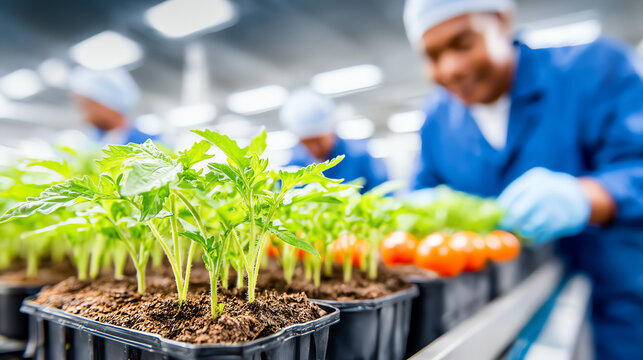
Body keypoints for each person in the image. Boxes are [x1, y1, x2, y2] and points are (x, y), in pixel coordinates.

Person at [403, 0, 643, 358]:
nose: (450, 68)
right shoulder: (437, 120)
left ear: (501, 22)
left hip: (618, 301)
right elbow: (424, 190)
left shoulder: (593, 68)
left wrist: (587, 196)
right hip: (503, 310)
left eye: (463, 43)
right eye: (432, 56)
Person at [280, 88, 388, 192]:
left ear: (330, 129)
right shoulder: (293, 167)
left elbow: (384, 196)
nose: (313, 147)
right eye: (306, 142)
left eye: (318, 140)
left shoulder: (361, 156)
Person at [69, 67, 155, 146]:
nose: (82, 111)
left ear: (107, 104)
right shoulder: (91, 142)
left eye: (87, 104)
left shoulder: (149, 142)